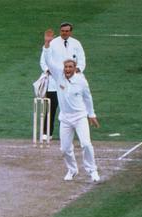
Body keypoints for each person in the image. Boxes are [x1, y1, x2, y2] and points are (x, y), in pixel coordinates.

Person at [42, 29, 101, 183]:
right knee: (64, 149)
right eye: (66, 67)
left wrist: (92, 114)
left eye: (70, 67)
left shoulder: (82, 81)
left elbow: (88, 98)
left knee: (86, 144)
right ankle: (72, 170)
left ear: (75, 68)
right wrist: (47, 44)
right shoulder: (59, 75)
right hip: (65, 119)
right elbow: (48, 61)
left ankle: (92, 170)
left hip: (80, 117)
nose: (67, 70)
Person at [38, 22, 86, 141]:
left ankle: (73, 133)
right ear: (60, 31)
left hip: (72, 82)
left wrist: (76, 70)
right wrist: (49, 71)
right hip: (55, 81)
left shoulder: (76, 43)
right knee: (51, 107)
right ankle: (46, 133)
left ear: (70, 31)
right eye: (62, 30)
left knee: (71, 107)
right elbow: (44, 61)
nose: (64, 33)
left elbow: (82, 60)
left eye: (67, 31)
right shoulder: (52, 43)